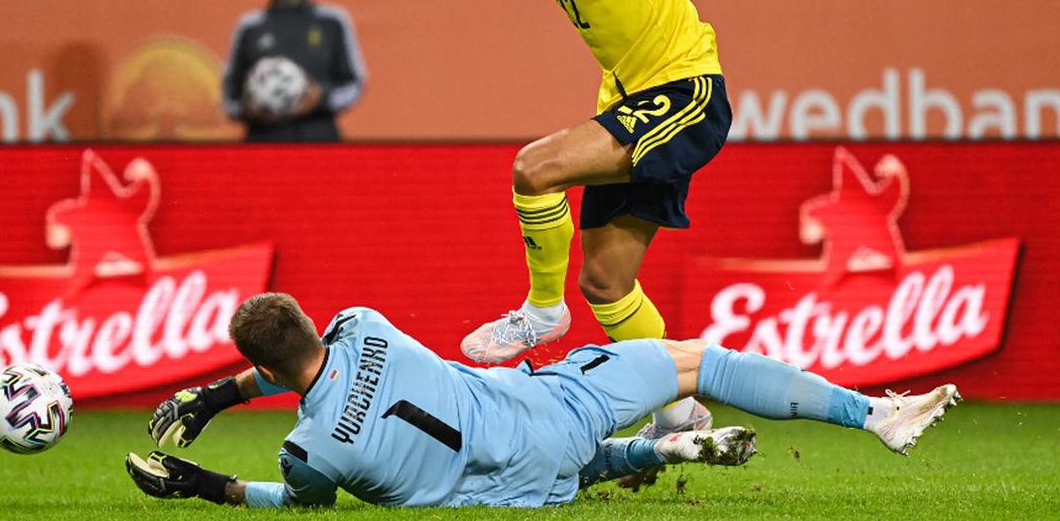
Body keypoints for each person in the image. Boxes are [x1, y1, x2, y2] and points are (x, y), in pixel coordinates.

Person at [326, 0, 745, 458]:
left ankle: (544, 311)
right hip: (629, 99)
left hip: (685, 92)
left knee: (535, 168)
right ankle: (680, 413)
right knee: (606, 284)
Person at [125, 293, 959, 509]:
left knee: (568, 470)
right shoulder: (363, 324)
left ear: (257, 363)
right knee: (696, 362)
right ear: (313, 323)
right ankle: (872, 415)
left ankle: (656, 451)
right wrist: (219, 396)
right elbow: (304, 360)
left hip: (515, 488)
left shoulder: (309, 451)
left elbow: (303, 505)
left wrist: (210, 485)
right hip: (544, 408)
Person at [222, 0, 367, 142]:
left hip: (319, 141)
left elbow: (354, 85)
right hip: (263, 143)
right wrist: (251, 108)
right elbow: (229, 97)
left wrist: (321, 97)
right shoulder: (250, 26)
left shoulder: (333, 21)